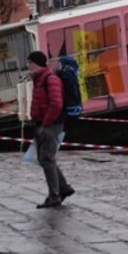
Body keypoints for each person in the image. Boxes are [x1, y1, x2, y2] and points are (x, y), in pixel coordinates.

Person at [28, 51, 75, 208]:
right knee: (45, 159)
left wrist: (46, 124)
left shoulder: (50, 79)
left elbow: (56, 104)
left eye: (31, 63)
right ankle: (64, 188)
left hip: (51, 124)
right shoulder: (39, 79)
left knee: (46, 159)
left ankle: (54, 196)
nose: (28, 66)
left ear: (38, 64)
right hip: (43, 123)